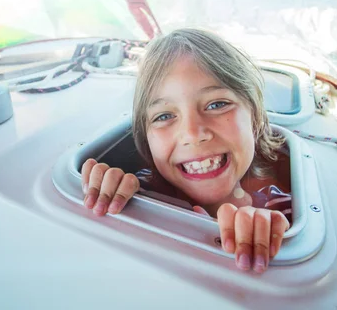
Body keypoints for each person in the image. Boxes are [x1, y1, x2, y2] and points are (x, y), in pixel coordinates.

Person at [81, 28, 291, 274]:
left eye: (217, 104)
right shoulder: (136, 194)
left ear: (254, 117)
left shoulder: (280, 210)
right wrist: (105, 188)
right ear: (145, 137)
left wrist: (273, 234)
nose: (192, 134)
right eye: (165, 116)